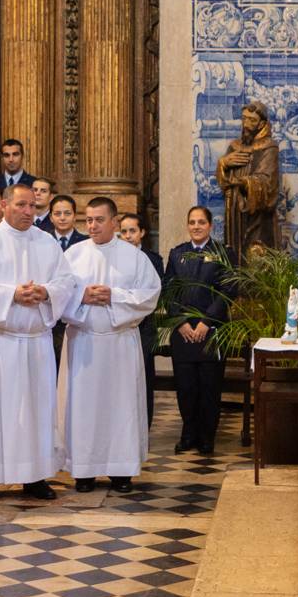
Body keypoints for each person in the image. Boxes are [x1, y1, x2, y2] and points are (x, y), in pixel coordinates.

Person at [0, 183, 77, 503]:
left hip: (35, 341)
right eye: (22, 205)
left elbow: (66, 281)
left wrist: (46, 293)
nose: (29, 212)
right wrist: (13, 293)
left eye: (33, 206)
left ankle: (35, 475)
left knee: (37, 412)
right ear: (4, 205)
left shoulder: (47, 242)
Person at [58, 198, 161, 492]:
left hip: (119, 345)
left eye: (99, 220)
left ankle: (121, 471)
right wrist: (82, 297)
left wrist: (113, 296)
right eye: (88, 220)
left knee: (121, 406)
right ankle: (84, 471)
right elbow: (58, 296)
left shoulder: (134, 257)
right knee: (84, 407)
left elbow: (149, 296)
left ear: (114, 222)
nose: (92, 226)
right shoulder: (73, 255)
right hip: (84, 344)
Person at [165, 206, 229, 455]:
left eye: (201, 222)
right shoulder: (177, 254)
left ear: (211, 226)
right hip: (183, 333)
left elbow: (227, 293)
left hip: (211, 333)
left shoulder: (222, 254)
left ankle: (206, 437)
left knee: (209, 388)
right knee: (186, 388)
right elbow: (168, 291)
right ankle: (188, 433)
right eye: (192, 222)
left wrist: (207, 322)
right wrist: (181, 322)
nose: (196, 226)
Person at [215, 102, 280, 260]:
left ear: (262, 123)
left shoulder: (269, 148)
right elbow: (223, 182)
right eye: (244, 119)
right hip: (234, 211)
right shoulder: (234, 146)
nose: (246, 124)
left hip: (257, 216)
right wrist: (223, 164)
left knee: (255, 261)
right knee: (234, 257)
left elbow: (268, 182)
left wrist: (243, 182)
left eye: (252, 120)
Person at [118, 212, 164, 427]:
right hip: (119, 325)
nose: (128, 236)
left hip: (144, 327)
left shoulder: (153, 259)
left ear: (142, 232)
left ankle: (144, 425)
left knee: (144, 378)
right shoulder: (115, 257)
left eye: (132, 231)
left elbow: (153, 294)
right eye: (124, 231)